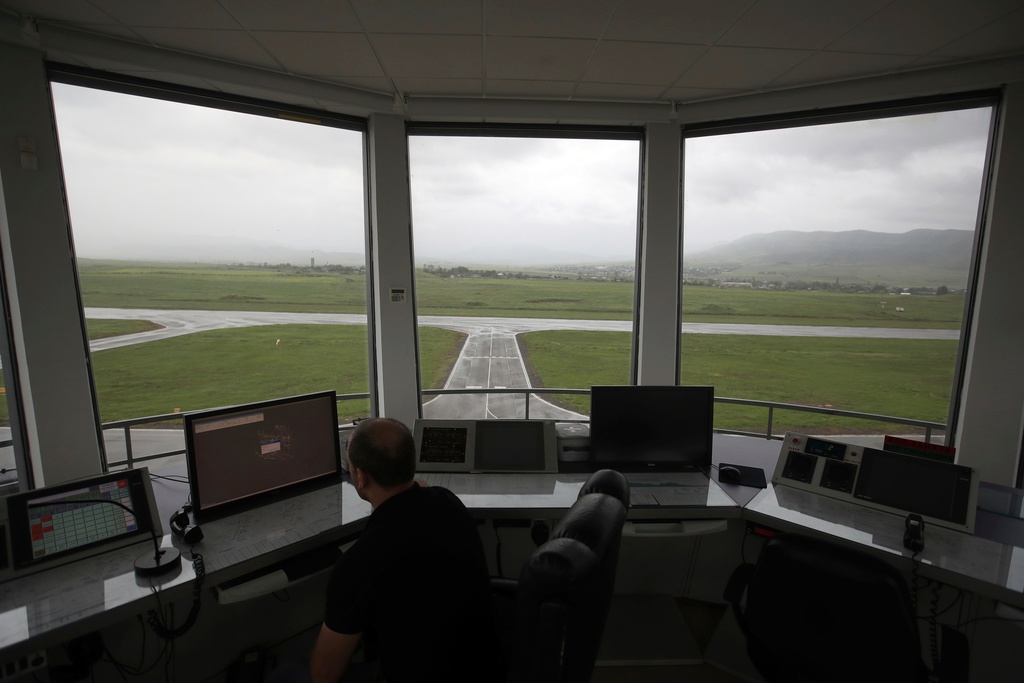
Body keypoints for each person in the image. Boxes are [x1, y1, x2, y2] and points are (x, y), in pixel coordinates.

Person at [310, 417, 501, 683]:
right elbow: (419, 492)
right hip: (481, 668)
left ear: (360, 478)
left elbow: (323, 676)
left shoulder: (357, 565)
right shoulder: (448, 503)